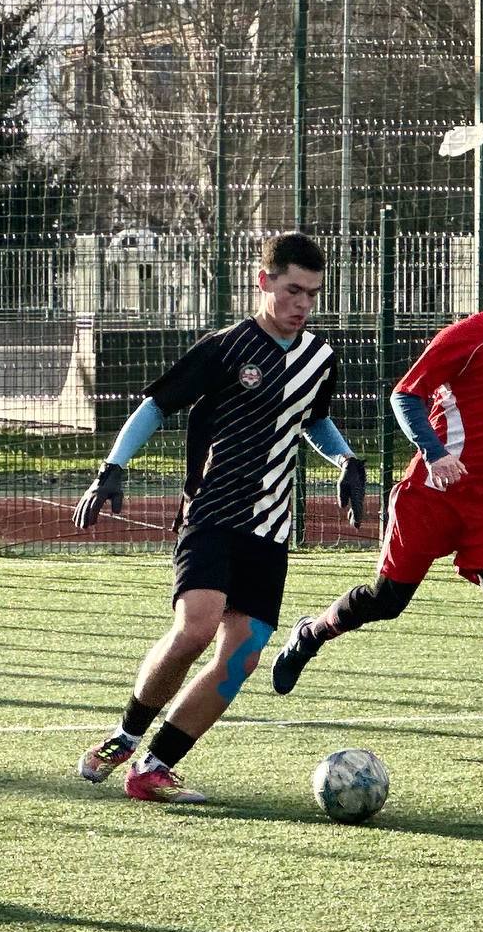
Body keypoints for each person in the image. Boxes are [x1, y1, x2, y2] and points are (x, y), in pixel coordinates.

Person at [71, 232, 366, 803]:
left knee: (242, 659)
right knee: (197, 628)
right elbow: (156, 405)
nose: (302, 304)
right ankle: (124, 736)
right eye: (291, 290)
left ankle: (154, 768)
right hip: (211, 513)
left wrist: (348, 459)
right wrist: (112, 467)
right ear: (264, 283)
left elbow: (313, 420)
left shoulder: (320, 358)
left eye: (312, 294)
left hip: (271, 529)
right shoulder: (226, 348)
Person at [268, 253, 483, 752]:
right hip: (431, 495)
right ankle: (310, 634)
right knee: (387, 601)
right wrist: (433, 455)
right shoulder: (465, 337)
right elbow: (404, 396)